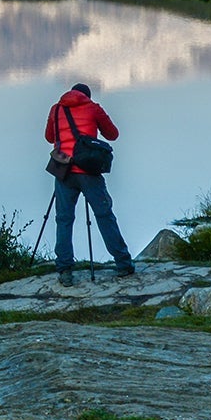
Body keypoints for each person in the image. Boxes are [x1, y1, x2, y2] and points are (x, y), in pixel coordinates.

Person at [45, 82, 134, 283]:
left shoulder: (56, 109)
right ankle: (123, 263)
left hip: (63, 171)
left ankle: (65, 269)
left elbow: (49, 137)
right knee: (104, 216)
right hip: (88, 172)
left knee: (64, 219)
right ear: (87, 96)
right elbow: (113, 134)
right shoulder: (93, 108)